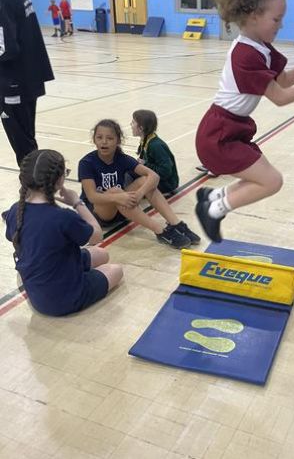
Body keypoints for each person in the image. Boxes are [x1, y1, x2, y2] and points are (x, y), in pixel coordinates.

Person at [194, 0, 294, 242]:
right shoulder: (246, 54)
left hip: (231, 128)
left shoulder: (260, 47)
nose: (280, 25)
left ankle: (214, 197)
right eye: (276, 19)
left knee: (263, 178)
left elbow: (283, 81)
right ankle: (213, 210)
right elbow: (280, 97)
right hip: (218, 134)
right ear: (254, 15)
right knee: (271, 181)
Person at [3, 150, 123, 316]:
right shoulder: (63, 217)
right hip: (64, 300)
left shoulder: (16, 209)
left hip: (36, 292)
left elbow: (16, 238)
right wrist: (77, 202)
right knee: (116, 269)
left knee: (102, 254)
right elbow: (97, 236)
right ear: (60, 181)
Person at [79, 119, 200, 249]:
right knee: (116, 191)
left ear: (118, 141)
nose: (104, 141)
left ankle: (176, 223)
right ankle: (161, 231)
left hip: (122, 207)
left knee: (145, 181)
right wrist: (118, 197)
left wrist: (139, 194)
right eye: (99, 137)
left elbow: (154, 176)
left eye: (109, 138)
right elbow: (92, 197)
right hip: (99, 213)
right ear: (94, 139)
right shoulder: (87, 163)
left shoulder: (122, 158)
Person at [0, 0, 54, 166]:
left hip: (14, 81)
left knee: (22, 144)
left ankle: (35, 182)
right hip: (27, 76)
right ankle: (38, 181)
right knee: (26, 140)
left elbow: (7, 47)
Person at [131, 110, 179, 195]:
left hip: (166, 184)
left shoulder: (156, 146)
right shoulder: (146, 139)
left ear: (141, 128)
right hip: (155, 177)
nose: (130, 125)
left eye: (133, 122)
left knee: (133, 178)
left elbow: (165, 171)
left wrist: (145, 164)